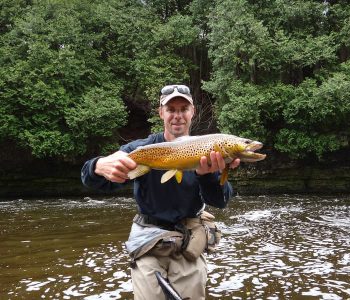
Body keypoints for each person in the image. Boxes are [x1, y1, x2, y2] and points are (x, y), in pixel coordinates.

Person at [81, 84, 240, 300]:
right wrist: (97, 166)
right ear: (161, 112)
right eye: (171, 109)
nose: (177, 116)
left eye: (183, 109)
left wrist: (207, 175)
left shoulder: (208, 150)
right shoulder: (143, 150)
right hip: (148, 243)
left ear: (192, 112)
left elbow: (220, 201)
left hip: (189, 242)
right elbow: (95, 180)